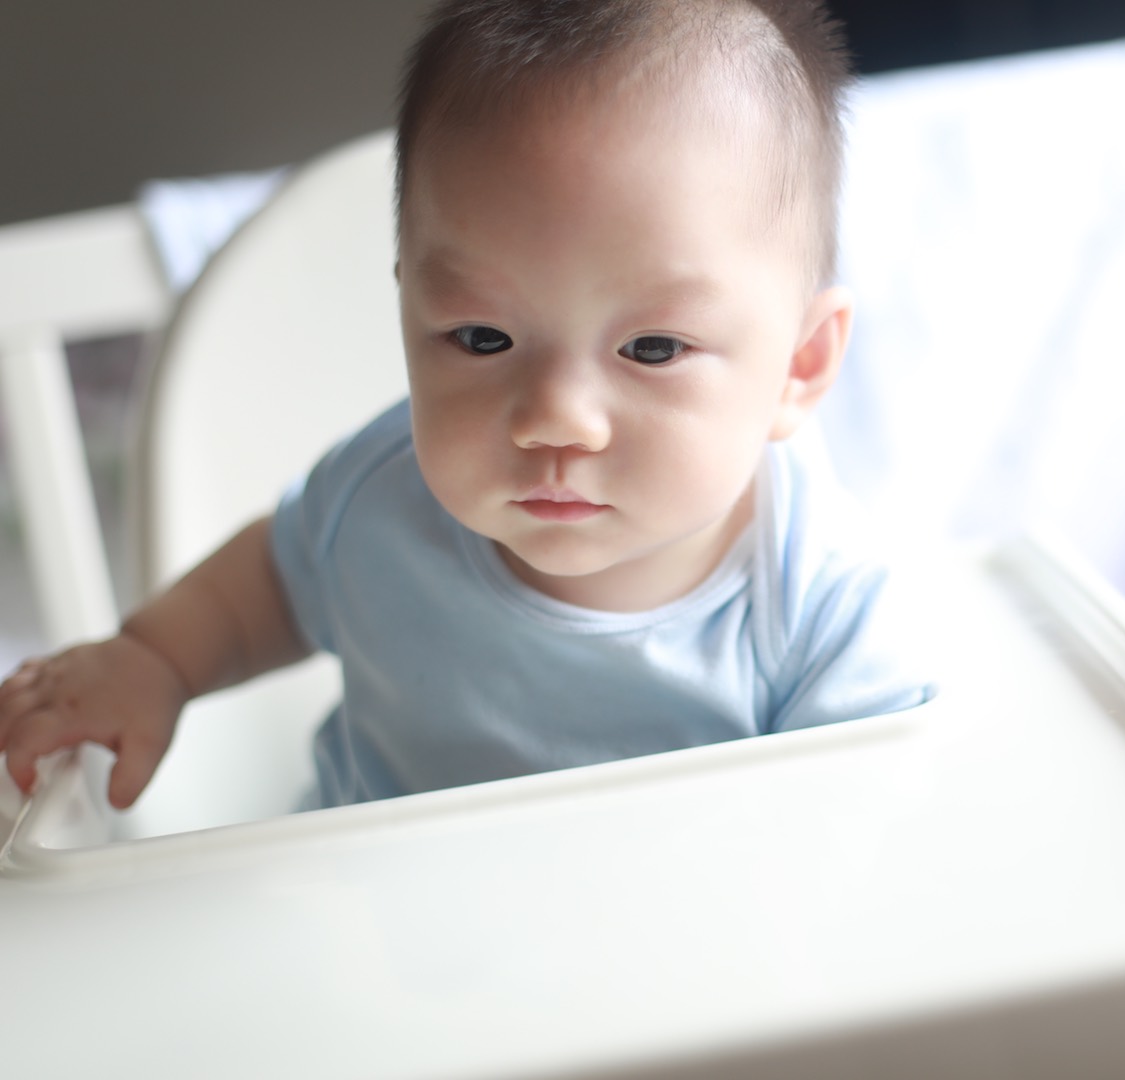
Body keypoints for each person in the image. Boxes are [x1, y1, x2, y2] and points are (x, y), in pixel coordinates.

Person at [0, 0, 933, 811]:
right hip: (367, 929)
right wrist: (153, 661)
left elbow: (865, 843)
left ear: (799, 365)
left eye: (652, 349)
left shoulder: (819, 610)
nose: (555, 417)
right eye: (483, 337)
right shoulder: (376, 504)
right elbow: (269, 585)